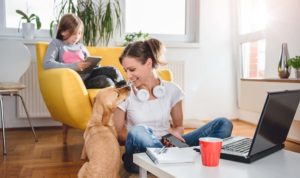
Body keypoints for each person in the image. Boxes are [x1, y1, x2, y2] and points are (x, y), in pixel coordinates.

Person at [113, 38, 233, 173]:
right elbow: (118, 134)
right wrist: (146, 137)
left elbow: (179, 126)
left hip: (168, 145)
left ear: (148, 63)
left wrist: (174, 135)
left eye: (132, 69)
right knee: (139, 130)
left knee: (223, 123)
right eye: (125, 70)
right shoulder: (124, 93)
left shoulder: (172, 90)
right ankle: (178, 160)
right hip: (139, 154)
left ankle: (175, 159)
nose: (128, 75)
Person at [43, 13, 126, 88]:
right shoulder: (57, 44)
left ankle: (126, 92)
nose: (77, 37)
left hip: (90, 74)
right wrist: (74, 66)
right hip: (79, 80)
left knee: (113, 71)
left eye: (79, 33)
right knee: (106, 81)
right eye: (74, 33)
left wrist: (95, 64)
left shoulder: (81, 47)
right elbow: (47, 63)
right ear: (62, 32)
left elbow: (91, 64)